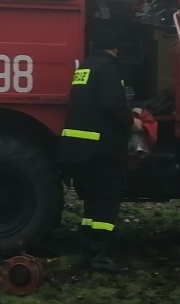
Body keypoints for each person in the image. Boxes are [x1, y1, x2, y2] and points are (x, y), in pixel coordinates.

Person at [57, 24, 143, 272]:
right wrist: (132, 122)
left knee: (92, 202)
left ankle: (88, 249)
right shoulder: (109, 68)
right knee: (107, 200)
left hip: (78, 149)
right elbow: (111, 104)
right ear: (115, 48)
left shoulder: (85, 66)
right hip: (101, 150)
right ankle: (99, 255)